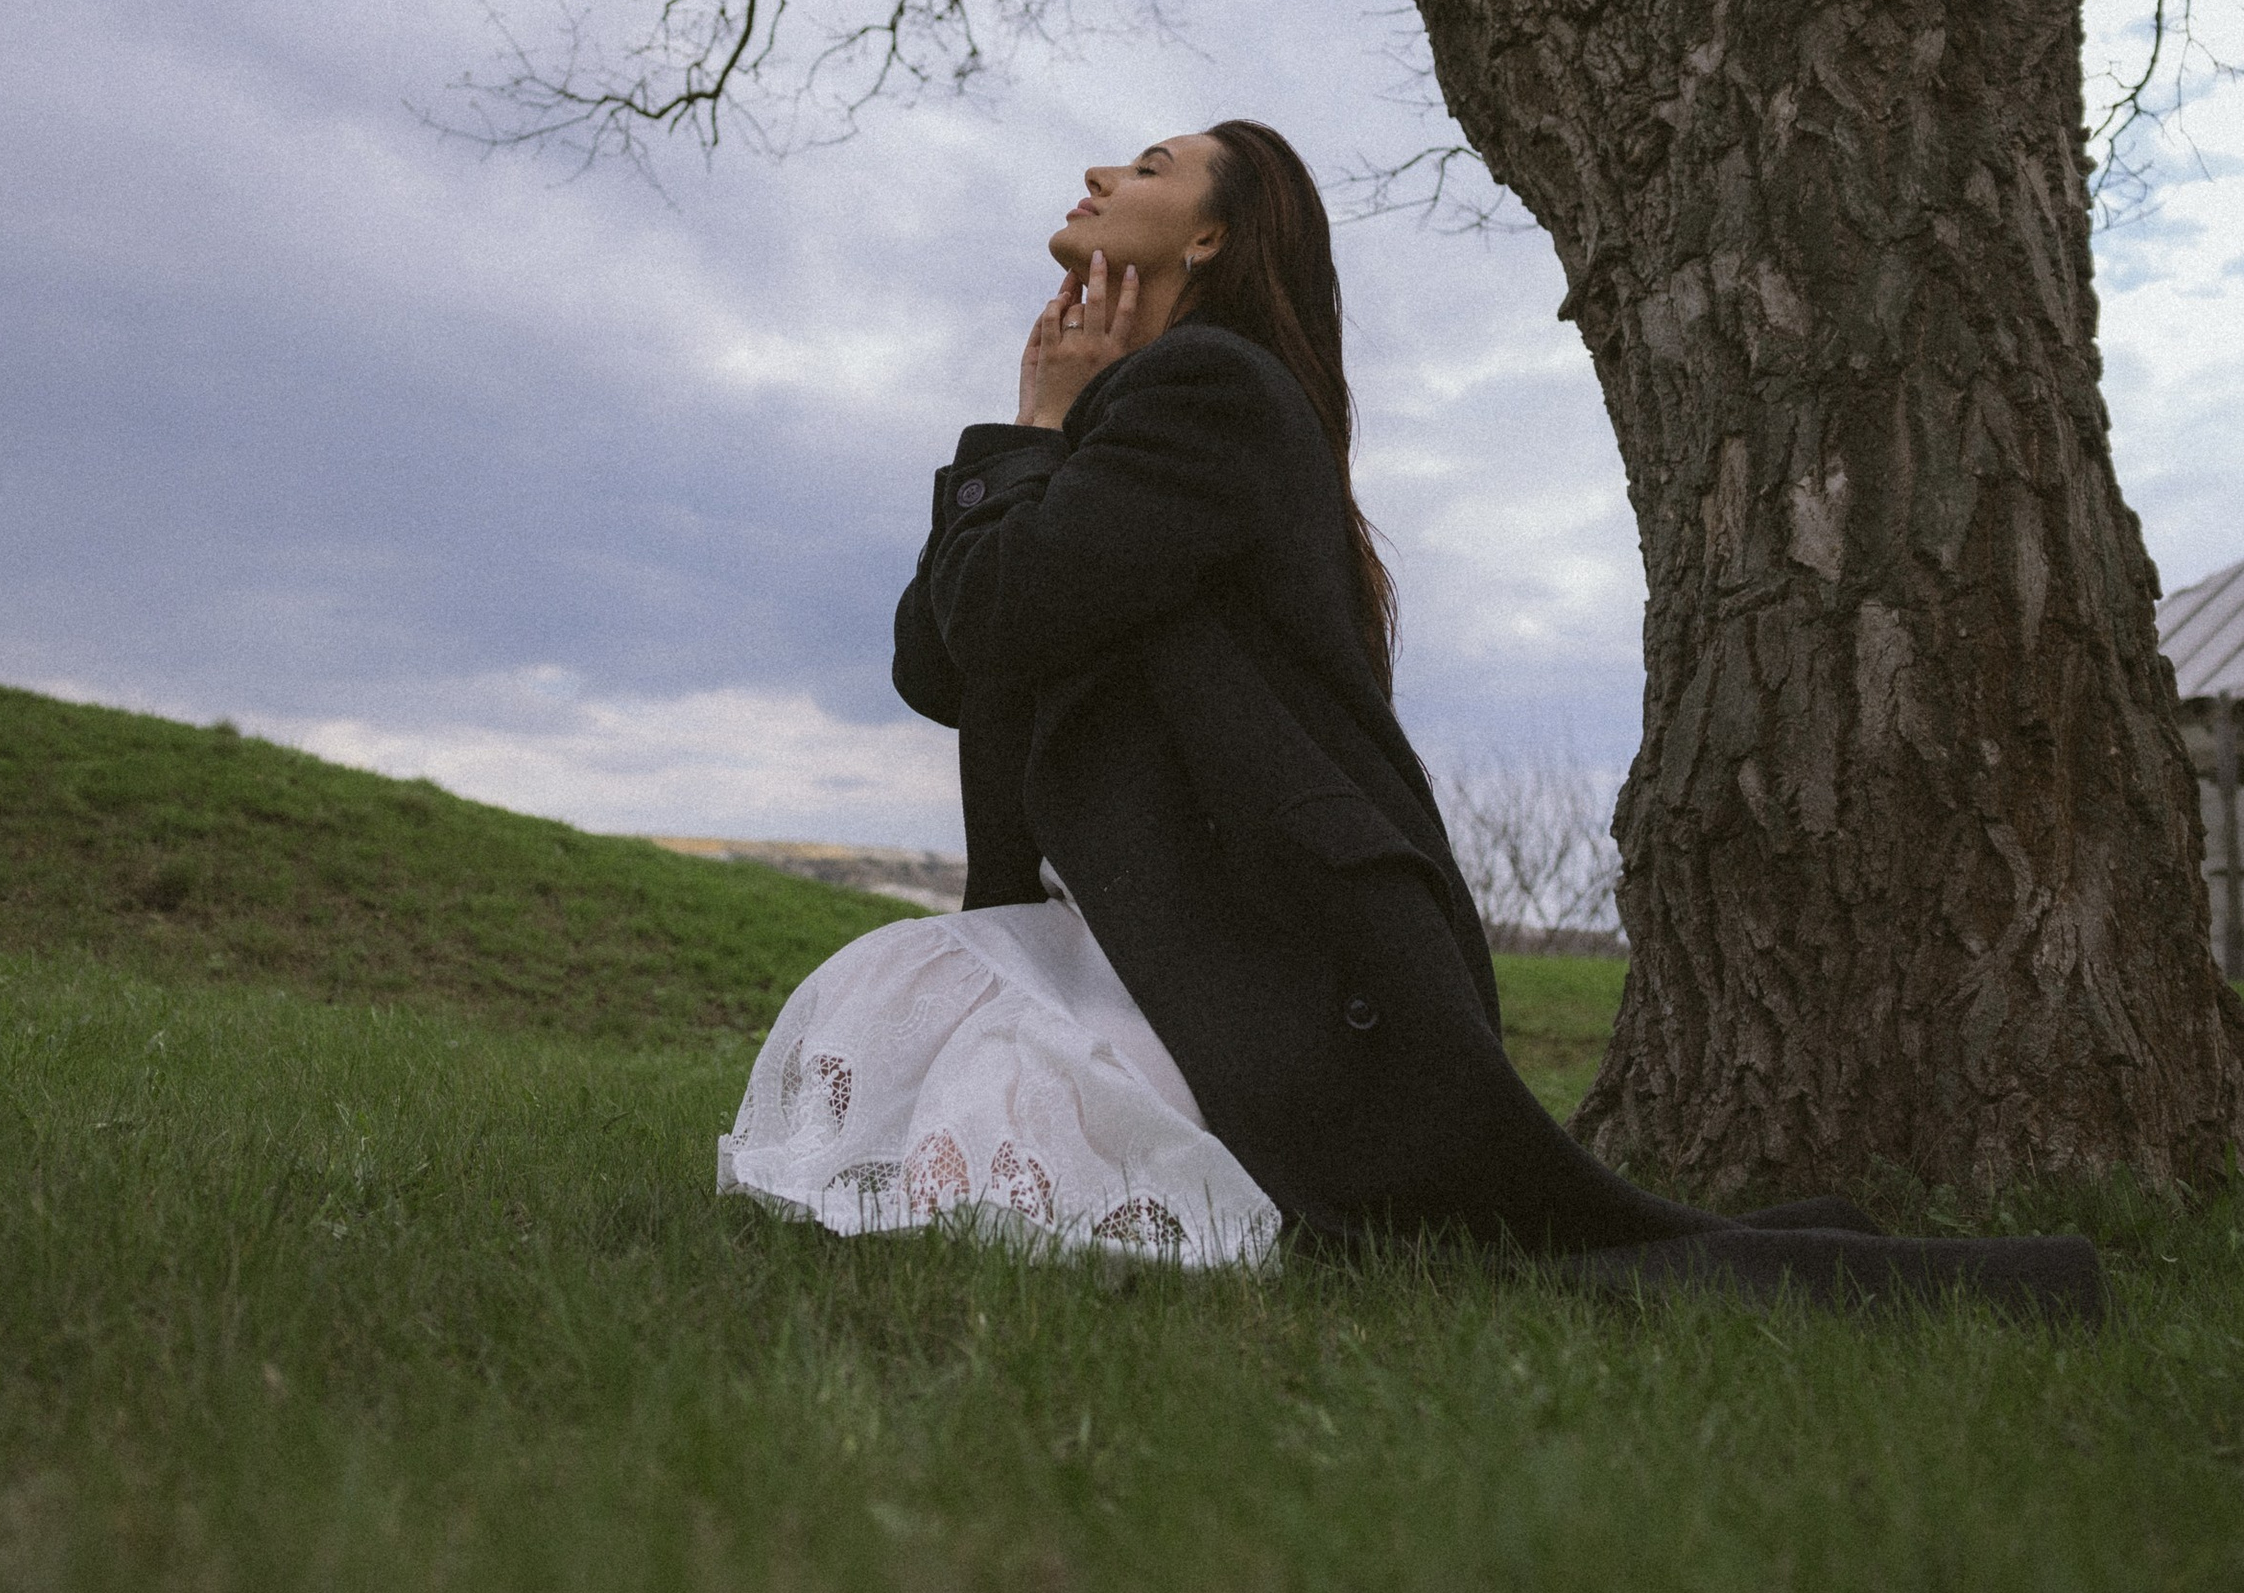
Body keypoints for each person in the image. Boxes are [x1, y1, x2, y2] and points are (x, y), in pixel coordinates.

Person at [719, 124, 2103, 1320]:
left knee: (1005, 1109)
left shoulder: (1210, 396)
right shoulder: (1112, 433)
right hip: (1166, 931)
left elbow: (999, 611)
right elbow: (942, 660)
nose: (1097, 170)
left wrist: (1040, 442)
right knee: (903, 1001)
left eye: (1147, 164)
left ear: (1211, 237)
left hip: (1290, 952)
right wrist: (1029, 425)